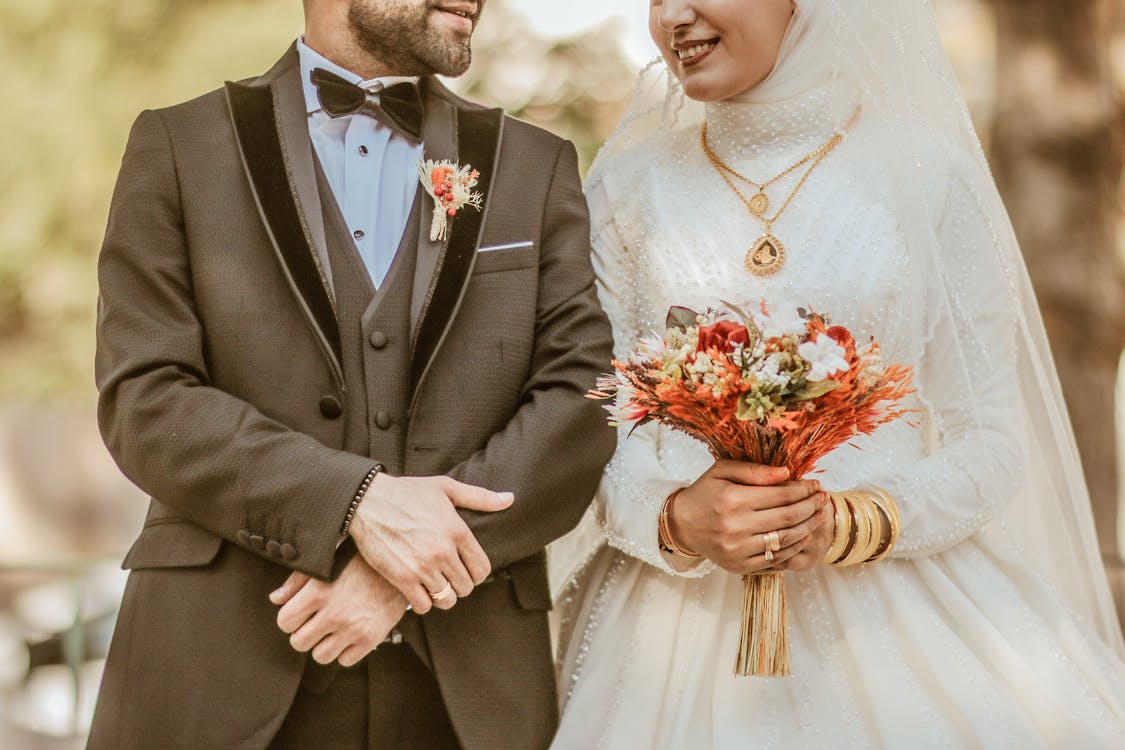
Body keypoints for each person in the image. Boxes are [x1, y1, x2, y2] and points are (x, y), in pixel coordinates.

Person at [552, 0, 1125, 747]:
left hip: (909, 613)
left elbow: (989, 440)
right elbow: (598, 425)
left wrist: (846, 522)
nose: (672, 18)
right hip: (666, 631)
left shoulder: (927, 174)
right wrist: (676, 520)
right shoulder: (626, 185)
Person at [89, 0, 615, 747]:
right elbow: (144, 398)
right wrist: (354, 503)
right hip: (218, 667)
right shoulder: (179, 143)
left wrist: (415, 565)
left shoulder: (535, 161)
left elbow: (585, 394)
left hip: (469, 686)